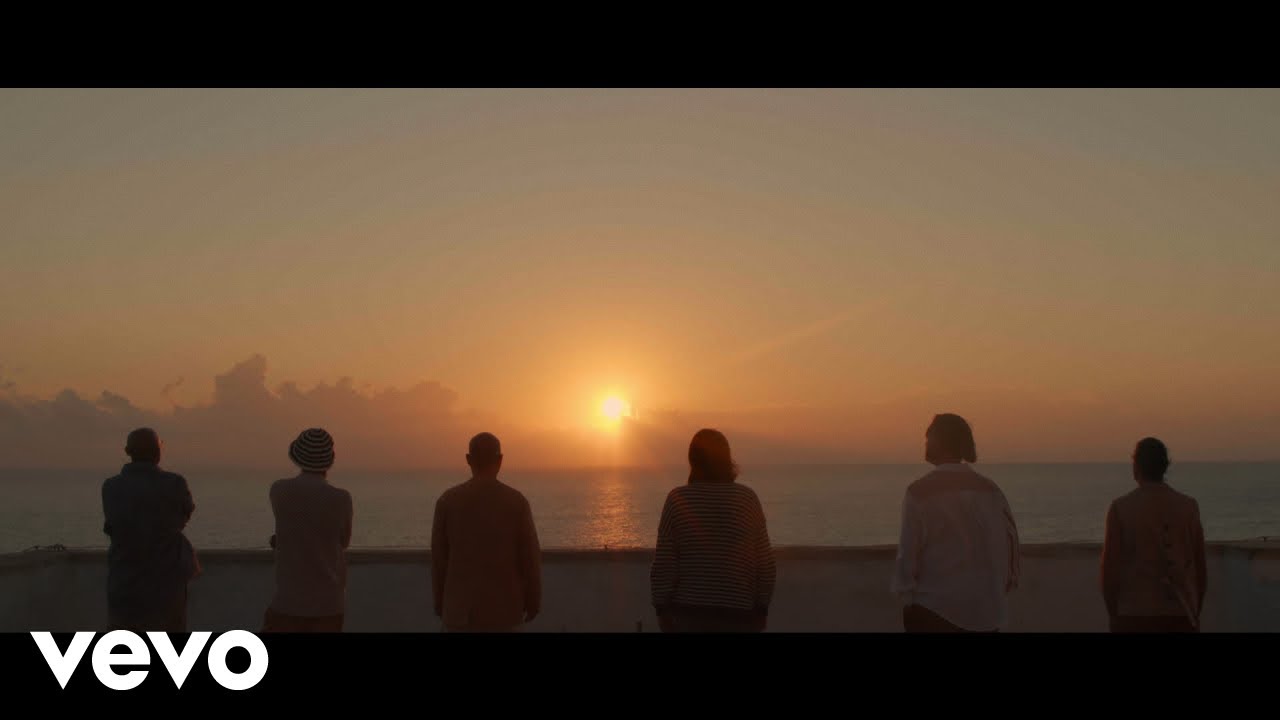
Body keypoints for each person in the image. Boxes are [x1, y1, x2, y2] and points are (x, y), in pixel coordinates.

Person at [891, 413, 1020, 632]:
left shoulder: (919, 492)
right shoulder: (991, 490)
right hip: (988, 615)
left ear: (941, 441)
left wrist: (906, 595)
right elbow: (1010, 545)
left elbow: (908, 553)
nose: (925, 443)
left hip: (935, 611)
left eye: (929, 437)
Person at [650, 429, 776, 632]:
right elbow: (765, 564)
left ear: (692, 460)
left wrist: (662, 610)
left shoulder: (677, 500)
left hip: (688, 616)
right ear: (727, 459)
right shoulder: (747, 499)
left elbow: (665, 563)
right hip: (739, 615)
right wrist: (761, 609)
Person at [431, 432, 541, 632]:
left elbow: (439, 560)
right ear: (500, 460)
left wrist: (440, 602)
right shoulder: (516, 502)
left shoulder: (447, 501)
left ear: (468, 459)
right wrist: (534, 599)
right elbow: (530, 558)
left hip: (459, 614)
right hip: (505, 614)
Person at [1100, 437, 1207, 633]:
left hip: (1134, 615)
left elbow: (1109, 570)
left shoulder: (1121, 509)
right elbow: (1200, 566)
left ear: (1137, 467)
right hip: (1180, 613)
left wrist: (1113, 615)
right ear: (1164, 467)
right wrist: (1194, 612)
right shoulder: (1188, 507)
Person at [101, 427, 199, 632]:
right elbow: (185, 514)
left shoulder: (110, 487)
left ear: (128, 451)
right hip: (166, 586)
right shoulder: (175, 483)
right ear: (157, 451)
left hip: (123, 583)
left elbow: (114, 525)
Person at [262, 428, 353, 632]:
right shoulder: (341, 498)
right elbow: (343, 541)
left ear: (297, 457)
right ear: (330, 459)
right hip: (329, 604)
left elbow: (294, 526)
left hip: (288, 602)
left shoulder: (278, 490)